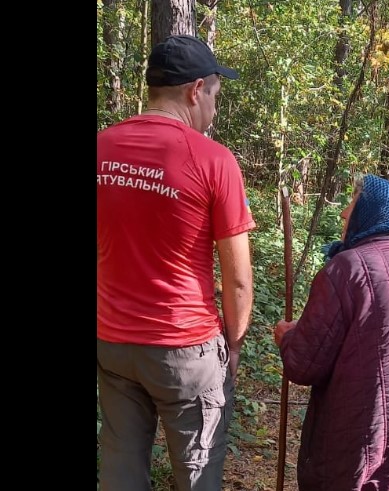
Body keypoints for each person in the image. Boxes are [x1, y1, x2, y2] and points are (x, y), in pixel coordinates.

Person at [97, 34, 256, 491]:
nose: (214, 108)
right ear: (195, 90)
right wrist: (235, 347)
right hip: (184, 349)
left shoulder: (102, 147)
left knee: (121, 470)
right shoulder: (213, 160)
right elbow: (239, 280)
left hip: (112, 344)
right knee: (198, 474)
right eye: (215, 96)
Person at [274, 174, 389, 491]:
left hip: (357, 433)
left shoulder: (346, 269)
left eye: (352, 204)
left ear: (371, 212)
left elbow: (303, 365)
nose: (344, 213)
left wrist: (287, 337)